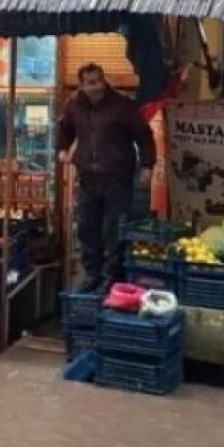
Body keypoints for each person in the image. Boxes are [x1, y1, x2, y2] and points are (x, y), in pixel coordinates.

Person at [57, 63, 157, 293]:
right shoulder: (74, 106)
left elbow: (144, 135)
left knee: (113, 230)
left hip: (118, 179)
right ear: (81, 86)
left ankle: (111, 278)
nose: (97, 86)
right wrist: (63, 149)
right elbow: (65, 129)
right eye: (91, 83)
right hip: (88, 179)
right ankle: (92, 275)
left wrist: (148, 166)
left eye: (100, 80)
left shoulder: (123, 106)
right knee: (87, 229)